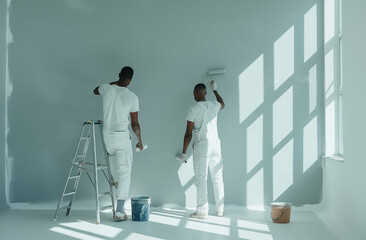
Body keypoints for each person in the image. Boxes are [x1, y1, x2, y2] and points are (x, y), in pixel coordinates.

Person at [93, 66, 144, 221]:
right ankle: (120, 211)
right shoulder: (132, 97)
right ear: (130, 80)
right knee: (125, 172)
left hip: (107, 135)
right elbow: (134, 124)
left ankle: (116, 184)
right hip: (121, 136)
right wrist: (140, 141)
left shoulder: (106, 88)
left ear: (119, 75)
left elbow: (95, 90)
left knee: (114, 163)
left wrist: (113, 83)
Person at [177, 80, 225, 219]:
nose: (193, 95)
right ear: (206, 93)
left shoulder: (193, 108)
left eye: (194, 92)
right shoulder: (214, 105)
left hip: (202, 145)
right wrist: (215, 90)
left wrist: (184, 153)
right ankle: (220, 210)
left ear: (197, 93)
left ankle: (202, 211)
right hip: (216, 144)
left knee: (201, 178)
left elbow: (188, 134)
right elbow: (223, 104)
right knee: (217, 177)